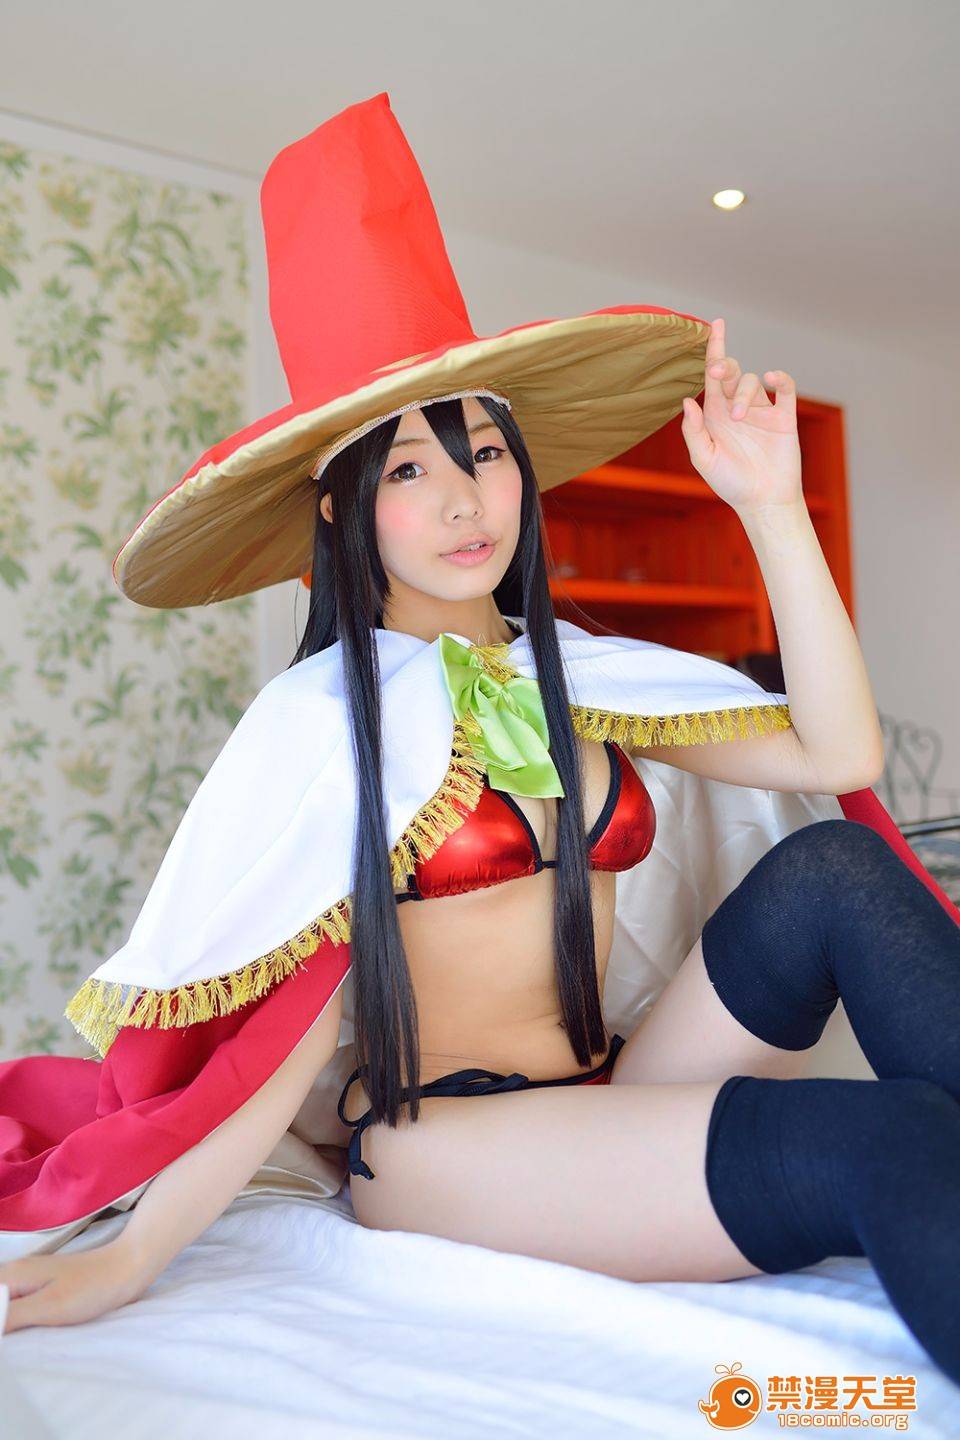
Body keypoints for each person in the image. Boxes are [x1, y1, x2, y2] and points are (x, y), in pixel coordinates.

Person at [2, 94, 959, 1393]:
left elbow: (833, 756)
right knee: (891, 1140)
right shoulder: (321, 725)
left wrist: (772, 506)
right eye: (408, 469)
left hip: (608, 1091)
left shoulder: (580, 675)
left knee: (839, 872)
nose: (463, 500)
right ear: (342, 508)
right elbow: (291, 1026)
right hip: (444, 1142)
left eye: (486, 453)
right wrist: (129, 1260)